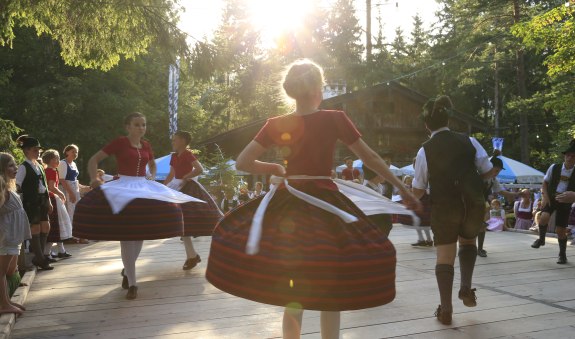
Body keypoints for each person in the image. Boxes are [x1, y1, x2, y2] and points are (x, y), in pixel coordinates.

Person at [206, 60, 420, 339]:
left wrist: (274, 169)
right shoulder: (335, 118)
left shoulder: (275, 123)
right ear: (318, 88)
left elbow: (243, 162)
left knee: (293, 287)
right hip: (326, 207)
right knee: (332, 280)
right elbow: (370, 158)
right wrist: (400, 188)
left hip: (288, 208)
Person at [72, 112, 204, 300]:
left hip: (142, 187)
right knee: (127, 235)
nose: (141, 128)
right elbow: (94, 160)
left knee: (140, 231)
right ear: (128, 127)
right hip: (123, 186)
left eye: (143, 124)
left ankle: (128, 271)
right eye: (137, 124)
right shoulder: (120, 142)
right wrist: (94, 179)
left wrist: (151, 176)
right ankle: (133, 284)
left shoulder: (147, 145)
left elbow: (151, 164)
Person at [412, 95, 491, 325]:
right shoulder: (470, 142)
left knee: (445, 257)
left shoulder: (424, 150)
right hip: (470, 204)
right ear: (449, 120)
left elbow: (418, 189)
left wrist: (409, 197)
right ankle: (466, 287)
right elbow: (486, 171)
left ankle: (446, 310)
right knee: (468, 243)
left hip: (444, 208)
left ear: (426, 125)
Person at [164, 131, 223, 271]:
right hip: (176, 188)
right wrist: (163, 187)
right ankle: (192, 256)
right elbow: (171, 174)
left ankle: (195, 255)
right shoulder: (173, 156)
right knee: (182, 223)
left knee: (186, 222)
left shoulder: (187, 154)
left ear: (183, 141)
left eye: (175, 140)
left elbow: (199, 169)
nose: (173, 142)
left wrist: (186, 177)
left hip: (189, 188)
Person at [531, 139, 575, 264]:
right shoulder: (554, 167)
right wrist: (544, 196)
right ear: (564, 156)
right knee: (543, 217)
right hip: (551, 197)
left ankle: (562, 255)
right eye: (568, 155)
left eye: (573, 156)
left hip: (566, 201)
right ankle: (541, 239)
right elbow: (545, 182)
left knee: (560, 231)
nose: (570, 158)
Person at [15, 135, 54, 271]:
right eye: (35, 150)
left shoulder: (39, 166)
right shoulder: (23, 167)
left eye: (38, 150)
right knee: (35, 228)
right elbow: (17, 185)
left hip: (42, 200)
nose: (38, 152)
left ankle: (39, 257)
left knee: (46, 227)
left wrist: (48, 201)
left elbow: (45, 186)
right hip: (31, 202)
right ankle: (41, 258)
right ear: (27, 151)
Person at [0, 153, 32, 315]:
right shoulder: (1, 187)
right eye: (11, 165)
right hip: (7, 236)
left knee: (11, 270)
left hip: (15, 236)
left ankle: (6, 299)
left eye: (15, 164)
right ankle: (3, 304)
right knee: (1, 271)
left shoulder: (9, 186)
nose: (16, 168)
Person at [477, 156, 522, 257]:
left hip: (481, 203)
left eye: (499, 171)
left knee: (482, 225)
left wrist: (518, 194)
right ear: (489, 167)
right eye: (496, 170)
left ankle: (479, 249)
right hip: (470, 202)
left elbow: (502, 192)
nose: (497, 173)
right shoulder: (477, 174)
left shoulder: (493, 180)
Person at [42, 149, 73, 259]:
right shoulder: (52, 171)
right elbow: (51, 187)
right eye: (56, 158)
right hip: (53, 198)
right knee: (57, 226)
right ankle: (47, 253)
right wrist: (61, 194)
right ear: (50, 160)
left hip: (48, 198)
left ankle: (60, 250)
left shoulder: (45, 170)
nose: (58, 160)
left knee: (57, 226)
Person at [58, 144, 90, 244]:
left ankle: (78, 235)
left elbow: (75, 181)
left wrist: (85, 187)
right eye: (73, 151)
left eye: (76, 152)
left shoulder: (74, 164)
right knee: (70, 213)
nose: (75, 154)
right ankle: (71, 236)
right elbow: (62, 180)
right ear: (67, 152)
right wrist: (71, 193)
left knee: (77, 213)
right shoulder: (63, 163)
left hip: (74, 190)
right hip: (67, 191)